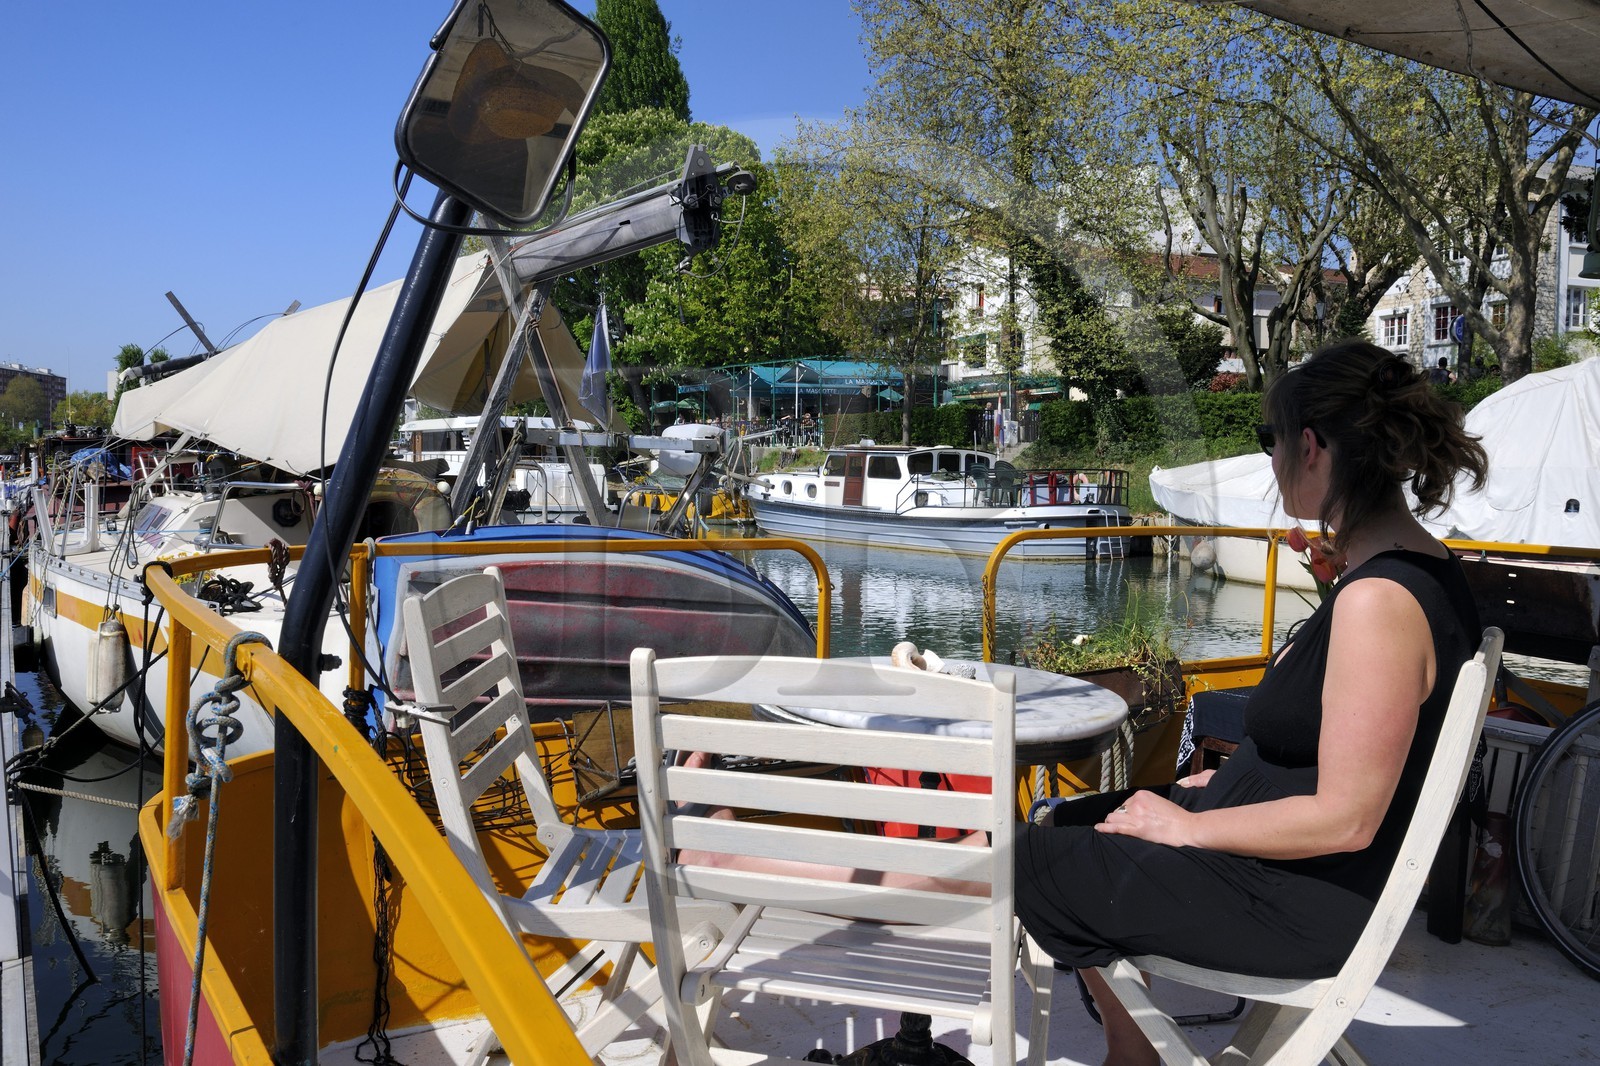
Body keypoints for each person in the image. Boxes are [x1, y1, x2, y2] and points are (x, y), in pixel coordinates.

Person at [1014, 340, 1489, 1065]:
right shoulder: (1420, 573)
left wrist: (1189, 830)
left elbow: (1350, 816)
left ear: (1310, 447)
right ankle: (1133, 1047)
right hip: (1303, 879)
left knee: (1024, 860)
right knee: (1077, 818)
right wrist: (1228, 787)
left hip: (1296, 906)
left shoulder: (1380, 603)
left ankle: (1133, 1055)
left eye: (1270, 442)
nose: (1269, 463)